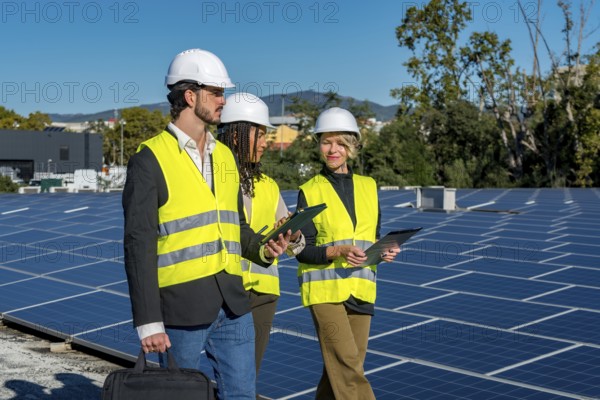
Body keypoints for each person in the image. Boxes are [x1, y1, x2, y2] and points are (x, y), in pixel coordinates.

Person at [122, 49, 291, 400]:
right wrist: (149, 322)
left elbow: (235, 226)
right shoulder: (149, 159)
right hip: (181, 308)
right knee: (180, 397)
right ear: (189, 96)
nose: (223, 101)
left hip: (233, 303)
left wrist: (263, 248)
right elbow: (138, 245)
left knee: (242, 395)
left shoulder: (225, 156)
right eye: (216, 92)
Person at [295, 107, 400, 400]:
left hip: (362, 289)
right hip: (325, 291)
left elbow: (373, 237)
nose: (332, 149)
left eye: (340, 142)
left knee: (339, 373)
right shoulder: (309, 190)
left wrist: (385, 251)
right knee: (348, 368)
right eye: (326, 142)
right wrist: (338, 250)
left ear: (351, 145)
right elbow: (303, 251)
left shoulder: (369, 187)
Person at [218, 92, 305, 380]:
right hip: (222, 290)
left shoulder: (268, 185)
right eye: (259, 135)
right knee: (226, 376)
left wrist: (292, 233)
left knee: (246, 376)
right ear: (235, 136)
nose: (265, 143)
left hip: (263, 293)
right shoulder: (213, 180)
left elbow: (295, 246)